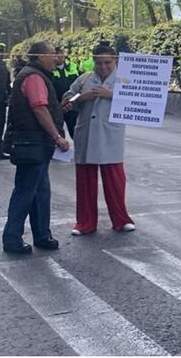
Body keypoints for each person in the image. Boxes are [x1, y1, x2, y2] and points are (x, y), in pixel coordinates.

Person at [1, 42, 70, 254]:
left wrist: (58, 110)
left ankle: (42, 235)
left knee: (40, 192)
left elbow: (41, 108)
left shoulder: (33, 75)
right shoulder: (34, 77)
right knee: (26, 191)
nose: (56, 58)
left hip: (33, 143)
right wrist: (57, 137)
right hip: (32, 143)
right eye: (52, 54)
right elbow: (39, 109)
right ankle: (12, 239)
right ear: (40, 56)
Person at [61, 43, 134, 235]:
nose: (103, 67)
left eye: (107, 63)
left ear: (115, 60)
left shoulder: (125, 79)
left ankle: (121, 219)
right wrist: (80, 97)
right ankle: (85, 222)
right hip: (86, 134)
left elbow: (138, 102)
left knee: (115, 180)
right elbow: (68, 97)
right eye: (98, 63)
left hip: (111, 135)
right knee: (85, 181)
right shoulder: (84, 79)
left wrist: (112, 95)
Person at [51, 48, 80, 139]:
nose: (58, 57)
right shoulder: (49, 68)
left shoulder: (73, 66)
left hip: (71, 105)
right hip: (56, 105)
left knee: (75, 132)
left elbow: (79, 85)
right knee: (56, 132)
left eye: (60, 54)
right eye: (55, 55)